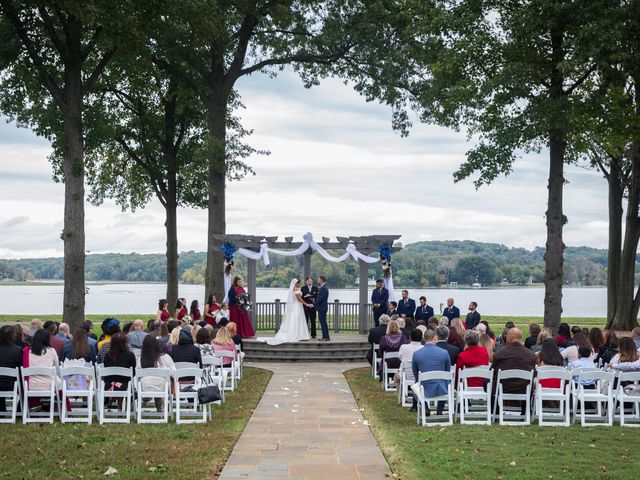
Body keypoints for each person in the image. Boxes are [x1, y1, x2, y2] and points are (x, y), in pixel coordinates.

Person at [491, 328, 536, 412]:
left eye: (507, 335)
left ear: (510, 337)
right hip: (524, 388)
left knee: (488, 381)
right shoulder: (531, 355)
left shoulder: (499, 354)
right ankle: (525, 411)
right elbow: (534, 374)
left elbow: (492, 371)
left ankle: (495, 410)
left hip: (503, 387)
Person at [412, 329, 452, 415]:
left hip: (424, 387)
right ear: (435, 338)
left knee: (415, 386)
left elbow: (415, 373)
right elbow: (447, 371)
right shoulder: (444, 353)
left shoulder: (416, 354)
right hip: (441, 387)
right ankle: (440, 408)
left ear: (424, 338)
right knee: (446, 381)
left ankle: (425, 407)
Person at [261, 279, 311, 345]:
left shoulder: (294, 288)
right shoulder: (296, 289)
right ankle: (296, 335)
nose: (299, 284)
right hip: (297, 306)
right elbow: (299, 299)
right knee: (296, 320)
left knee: (295, 320)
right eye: (298, 283)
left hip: (296, 306)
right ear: (296, 283)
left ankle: (299, 335)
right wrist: (306, 304)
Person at [138, 335, 174, 411]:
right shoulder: (165, 357)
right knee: (164, 381)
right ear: (157, 345)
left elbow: (137, 375)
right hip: (162, 387)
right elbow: (173, 373)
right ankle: (160, 405)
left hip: (145, 387)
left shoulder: (140, 360)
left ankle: (152, 402)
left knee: (150, 381)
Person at [103, 333, 136, 397]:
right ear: (125, 343)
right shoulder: (130, 355)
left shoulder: (107, 355)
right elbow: (133, 373)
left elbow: (106, 368)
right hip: (125, 384)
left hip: (109, 384)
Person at [0, 325, 23, 412]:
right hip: (12, 384)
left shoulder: (17, 349)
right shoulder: (18, 350)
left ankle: (2, 409)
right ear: (12, 336)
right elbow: (21, 368)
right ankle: (19, 409)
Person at [314, 275, 330, 342]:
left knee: (323, 323)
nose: (317, 280)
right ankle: (324, 336)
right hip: (322, 307)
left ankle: (326, 337)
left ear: (321, 280)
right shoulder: (323, 287)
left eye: (318, 279)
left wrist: (313, 304)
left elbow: (320, 299)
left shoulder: (323, 288)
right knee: (323, 322)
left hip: (322, 308)